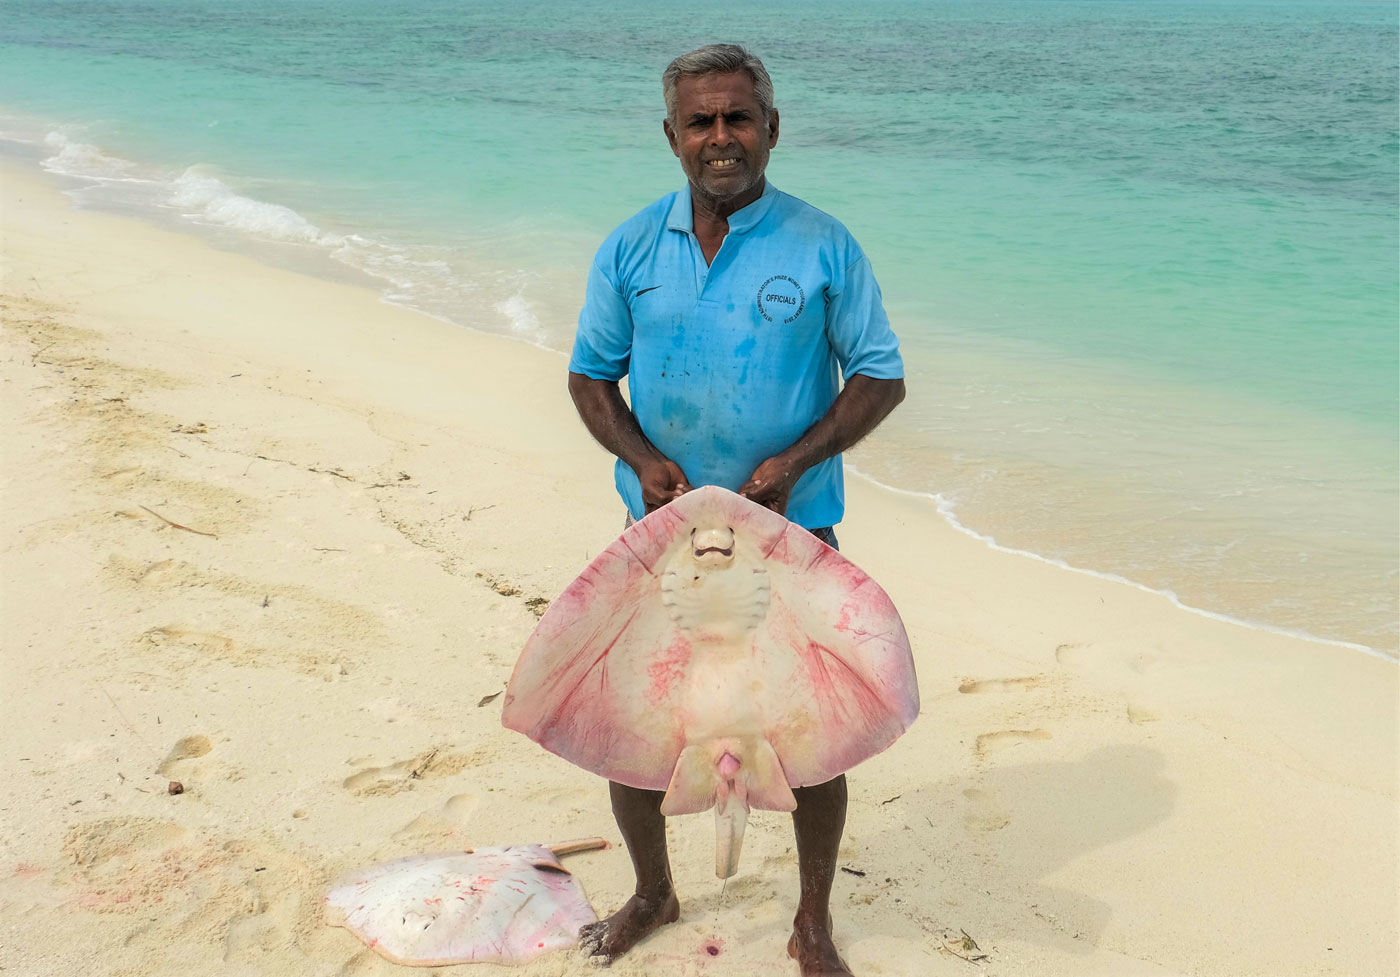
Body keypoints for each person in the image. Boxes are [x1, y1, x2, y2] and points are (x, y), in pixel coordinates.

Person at [566, 43, 905, 977]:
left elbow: (881, 374)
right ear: (672, 136)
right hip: (662, 539)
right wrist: (641, 461)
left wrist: (797, 461)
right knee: (639, 729)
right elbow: (591, 375)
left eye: (739, 117)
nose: (723, 137)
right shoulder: (632, 245)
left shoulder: (823, 243)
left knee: (810, 733)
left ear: (772, 127)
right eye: (702, 121)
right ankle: (653, 889)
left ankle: (813, 922)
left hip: (792, 535)